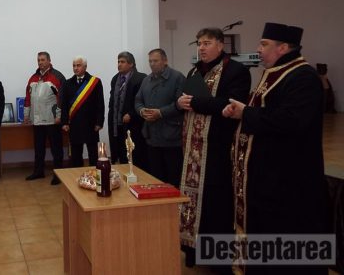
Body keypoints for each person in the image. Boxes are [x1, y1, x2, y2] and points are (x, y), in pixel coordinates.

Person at [223, 23, 328, 275]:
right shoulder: (276, 72)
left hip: (290, 180)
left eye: (264, 44)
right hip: (268, 178)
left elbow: (291, 121)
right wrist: (241, 112)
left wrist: (246, 113)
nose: (258, 49)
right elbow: (267, 112)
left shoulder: (303, 77)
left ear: (283, 48)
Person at [176, 27, 251, 268]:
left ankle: (218, 261)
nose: (201, 47)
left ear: (220, 45)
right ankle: (193, 251)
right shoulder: (194, 71)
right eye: (199, 43)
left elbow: (232, 106)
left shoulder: (236, 71)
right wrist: (180, 102)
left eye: (207, 43)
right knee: (192, 201)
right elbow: (186, 99)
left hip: (218, 151)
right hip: (192, 153)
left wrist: (196, 102)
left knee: (216, 204)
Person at [134, 49, 185, 186]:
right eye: (150, 61)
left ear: (165, 60)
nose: (152, 64)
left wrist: (161, 112)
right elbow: (138, 100)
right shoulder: (146, 80)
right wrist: (142, 111)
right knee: (156, 177)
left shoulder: (177, 78)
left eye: (155, 61)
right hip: (151, 137)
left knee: (173, 178)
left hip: (172, 137)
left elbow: (181, 104)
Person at [23, 51, 66, 185]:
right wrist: (26, 115)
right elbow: (28, 97)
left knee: (56, 149)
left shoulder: (57, 76)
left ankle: (58, 175)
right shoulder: (33, 78)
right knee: (39, 148)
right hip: (37, 120)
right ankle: (38, 172)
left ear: (49, 61)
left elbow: (62, 99)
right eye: (38, 60)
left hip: (52, 120)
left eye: (42, 60)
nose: (40, 62)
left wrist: (59, 116)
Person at [60, 56, 105, 167]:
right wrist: (64, 122)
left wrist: (99, 122)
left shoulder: (95, 82)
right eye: (74, 66)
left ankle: (95, 174)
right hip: (74, 124)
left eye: (78, 65)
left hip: (91, 124)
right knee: (76, 155)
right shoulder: (67, 83)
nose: (76, 68)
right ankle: (77, 175)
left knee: (93, 154)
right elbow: (64, 105)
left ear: (85, 66)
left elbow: (100, 104)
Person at [108, 51, 147, 169]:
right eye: (118, 62)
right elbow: (113, 101)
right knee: (120, 153)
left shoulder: (140, 78)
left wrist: (131, 114)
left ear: (131, 64)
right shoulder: (115, 79)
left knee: (133, 153)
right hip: (117, 123)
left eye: (123, 62)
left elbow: (142, 101)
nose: (119, 64)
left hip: (133, 123)